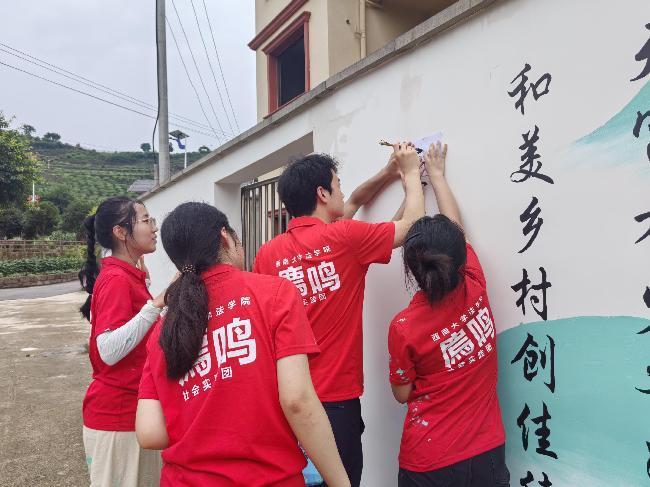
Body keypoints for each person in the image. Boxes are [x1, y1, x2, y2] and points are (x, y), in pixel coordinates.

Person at [136, 202, 350, 487]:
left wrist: (203, 425)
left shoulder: (163, 331)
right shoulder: (274, 294)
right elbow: (297, 401)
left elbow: (149, 432)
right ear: (225, 237)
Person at [253, 144, 425, 486]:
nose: (342, 191)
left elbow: (356, 200)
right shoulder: (345, 238)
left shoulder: (267, 254)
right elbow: (412, 226)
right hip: (335, 405)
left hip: (287, 402)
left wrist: (387, 173)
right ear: (322, 193)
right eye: (337, 184)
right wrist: (410, 172)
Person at [387, 143, 510, 487]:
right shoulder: (475, 284)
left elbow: (401, 393)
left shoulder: (404, 326)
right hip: (487, 453)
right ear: (458, 259)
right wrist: (438, 176)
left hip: (428, 461)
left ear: (412, 267)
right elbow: (458, 230)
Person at [78, 196, 171, 486]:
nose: (154, 227)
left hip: (132, 414)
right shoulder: (117, 279)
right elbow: (108, 349)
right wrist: (156, 304)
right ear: (121, 232)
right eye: (146, 220)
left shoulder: (125, 275)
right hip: (118, 417)